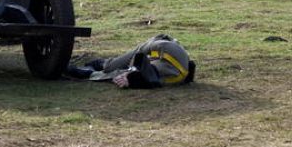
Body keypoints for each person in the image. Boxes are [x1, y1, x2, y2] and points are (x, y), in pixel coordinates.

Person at [66, 34, 196, 88]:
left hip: (172, 59)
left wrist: (130, 76)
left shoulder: (170, 74)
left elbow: (151, 78)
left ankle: (90, 71)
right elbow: (140, 56)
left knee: (117, 72)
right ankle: (101, 65)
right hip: (162, 49)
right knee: (112, 67)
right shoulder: (163, 51)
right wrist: (130, 73)